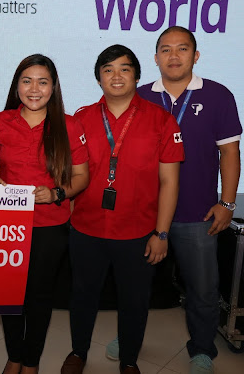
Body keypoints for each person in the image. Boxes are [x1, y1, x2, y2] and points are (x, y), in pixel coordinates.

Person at [104, 26, 242, 374]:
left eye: (182, 49)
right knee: (135, 285)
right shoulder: (139, 97)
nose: (174, 56)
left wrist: (227, 204)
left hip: (198, 213)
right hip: (144, 213)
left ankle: (202, 349)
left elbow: (230, 152)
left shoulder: (218, 95)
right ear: (155, 58)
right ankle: (129, 337)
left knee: (203, 289)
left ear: (196, 56)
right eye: (165, 49)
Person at [59, 45, 184, 374]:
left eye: (124, 69)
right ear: (98, 78)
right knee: (82, 296)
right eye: (108, 69)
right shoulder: (81, 119)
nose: (116, 76)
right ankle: (78, 352)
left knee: (135, 300)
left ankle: (129, 360)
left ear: (137, 76)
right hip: (86, 228)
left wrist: (162, 233)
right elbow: (69, 175)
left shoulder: (162, 120)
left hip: (139, 232)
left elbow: (170, 182)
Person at [0, 54, 89, 374]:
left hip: (50, 225)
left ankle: (31, 362)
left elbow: (81, 176)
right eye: (27, 81)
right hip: (7, 225)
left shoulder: (69, 125)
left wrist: (56, 193)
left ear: (53, 87)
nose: (34, 89)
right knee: (9, 295)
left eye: (43, 82)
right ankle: (14, 356)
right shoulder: (1, 121)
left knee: (39, 297)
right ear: (17, 86)